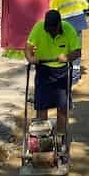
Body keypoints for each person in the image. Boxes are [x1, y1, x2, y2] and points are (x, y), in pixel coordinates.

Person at [25, 9, 81, 162]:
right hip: (43, 70)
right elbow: (28, 47)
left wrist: (67, 57)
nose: (49, 31)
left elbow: (77, 52)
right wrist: (31, 59)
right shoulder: (39, 28)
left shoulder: (68, 29)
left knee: (62, 106)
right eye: (47, 29)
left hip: (62, 72)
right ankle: (41, 138)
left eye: (52, 29)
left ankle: (61, 139)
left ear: (58, 26)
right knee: (41, 105)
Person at [50, 0, 89, 86]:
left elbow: (53, 14)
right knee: (76, 49)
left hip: (66, 26)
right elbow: (86, 6)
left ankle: (63, 75)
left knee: (64, 48)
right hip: (78, 23)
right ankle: (75, 78)